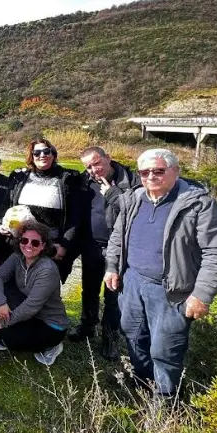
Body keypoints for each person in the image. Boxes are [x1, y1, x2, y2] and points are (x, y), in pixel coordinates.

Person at [104, 148, 217, 398]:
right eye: (144, 172)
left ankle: (164, 404)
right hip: (132, 283)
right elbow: (117, 237)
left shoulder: (199, 204)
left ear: (176, 171)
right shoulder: (135, 198)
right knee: (133, 337)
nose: (151, 176)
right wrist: (112, 266)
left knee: (164, 350)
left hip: (171, 290)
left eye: (158, 170)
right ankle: (143, 386)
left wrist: (202, 295)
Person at [69, 146, 140, 361]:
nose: (93, 169)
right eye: (88, 166)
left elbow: (136, 211)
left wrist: (114, 194)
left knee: (113, 296)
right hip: (91, 245)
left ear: (109, 158)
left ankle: (110, 339)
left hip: (117, 249)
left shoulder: (131, 181)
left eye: (96, 163)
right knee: (89, 290)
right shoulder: (85, 181)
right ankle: (87, 326)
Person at [0, 138, 83, 282]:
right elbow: (5, 205)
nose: (42, 155)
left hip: (50, 247)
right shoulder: (20, 177)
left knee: (45, 291)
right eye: (36, 153)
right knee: (17, 288)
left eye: (46, 151)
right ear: (31, 157)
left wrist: (64, 245)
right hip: (20, 245)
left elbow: (74, 217)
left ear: (53, 154)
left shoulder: (67, 179)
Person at [0, 221, 69, 365]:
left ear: (43, 245)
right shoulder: (17, 257)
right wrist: (1, 303)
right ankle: (13, 331)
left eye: (35, 243)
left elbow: (32, 306)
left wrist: (4, 322)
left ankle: (52, 346)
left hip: (50, 324)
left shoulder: (47, 270)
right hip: (31, 314)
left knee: (9, 338)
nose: (28, 245)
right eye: (24, 240)